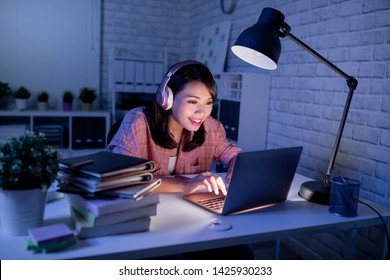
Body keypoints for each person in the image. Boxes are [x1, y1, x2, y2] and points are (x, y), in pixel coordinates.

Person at [107, 60, 241, 195]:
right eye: (193, 101)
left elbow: (237, 157)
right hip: (146, 207)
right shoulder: (138, 121)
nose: (201, 112)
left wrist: (234, 175)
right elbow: (119, 176)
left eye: (208, 103)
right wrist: (185, 184)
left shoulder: (211, 127)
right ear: (166, 98)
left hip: (190, 209)